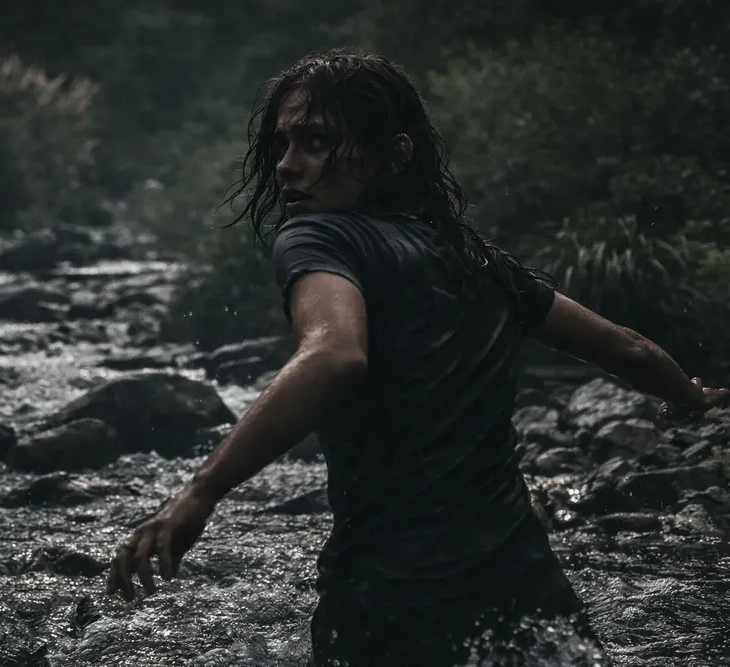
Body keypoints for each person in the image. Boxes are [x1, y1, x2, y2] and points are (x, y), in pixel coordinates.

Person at [105, 48, 730, 666]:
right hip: (529, 599)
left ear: (393, 155)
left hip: (391, 605)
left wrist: (200, 491)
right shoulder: (478, 261)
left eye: (316, 142)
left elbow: (335, 356)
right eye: (281, 145)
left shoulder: (320, 236)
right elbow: (629, 346)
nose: (287, 167)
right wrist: (690, 399)